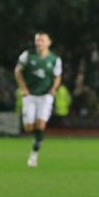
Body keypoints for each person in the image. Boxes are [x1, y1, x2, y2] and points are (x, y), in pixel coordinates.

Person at [14, 32, 62, 167]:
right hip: (30, 95)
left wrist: (54, 88)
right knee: (29, 127)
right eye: (37, 40)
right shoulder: (27, 55)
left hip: (45, 95)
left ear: (49, 43)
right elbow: (17, 71)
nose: (39, 43)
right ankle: (37, 138)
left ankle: (34, 154)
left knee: (41, 125)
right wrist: (23, 87)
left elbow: (57, 76)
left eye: (42, 40)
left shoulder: (54, 59)